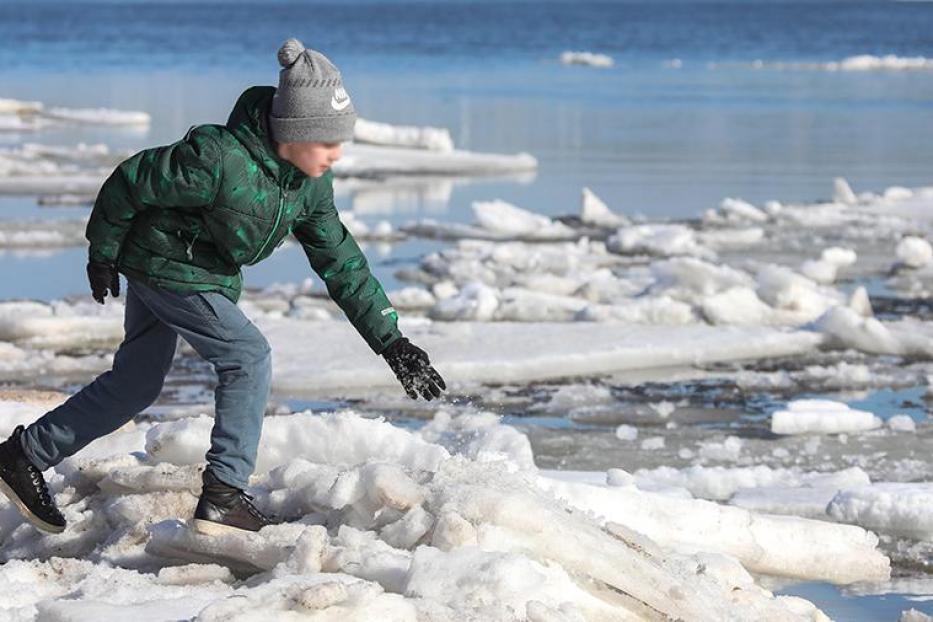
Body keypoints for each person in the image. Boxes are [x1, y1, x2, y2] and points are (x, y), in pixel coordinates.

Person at [0, 38, 446, 536]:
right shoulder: (217, 158)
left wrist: (393, 342)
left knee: (136, 383)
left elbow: (341, 261)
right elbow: (131, 181)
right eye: (328, 141)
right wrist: (101, 253)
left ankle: (22, 456)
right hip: (167, 265)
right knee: (247, 356)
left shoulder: (308, 186)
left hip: (194, 272)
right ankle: (224, 496)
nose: (337, 154)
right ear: (293, 132)